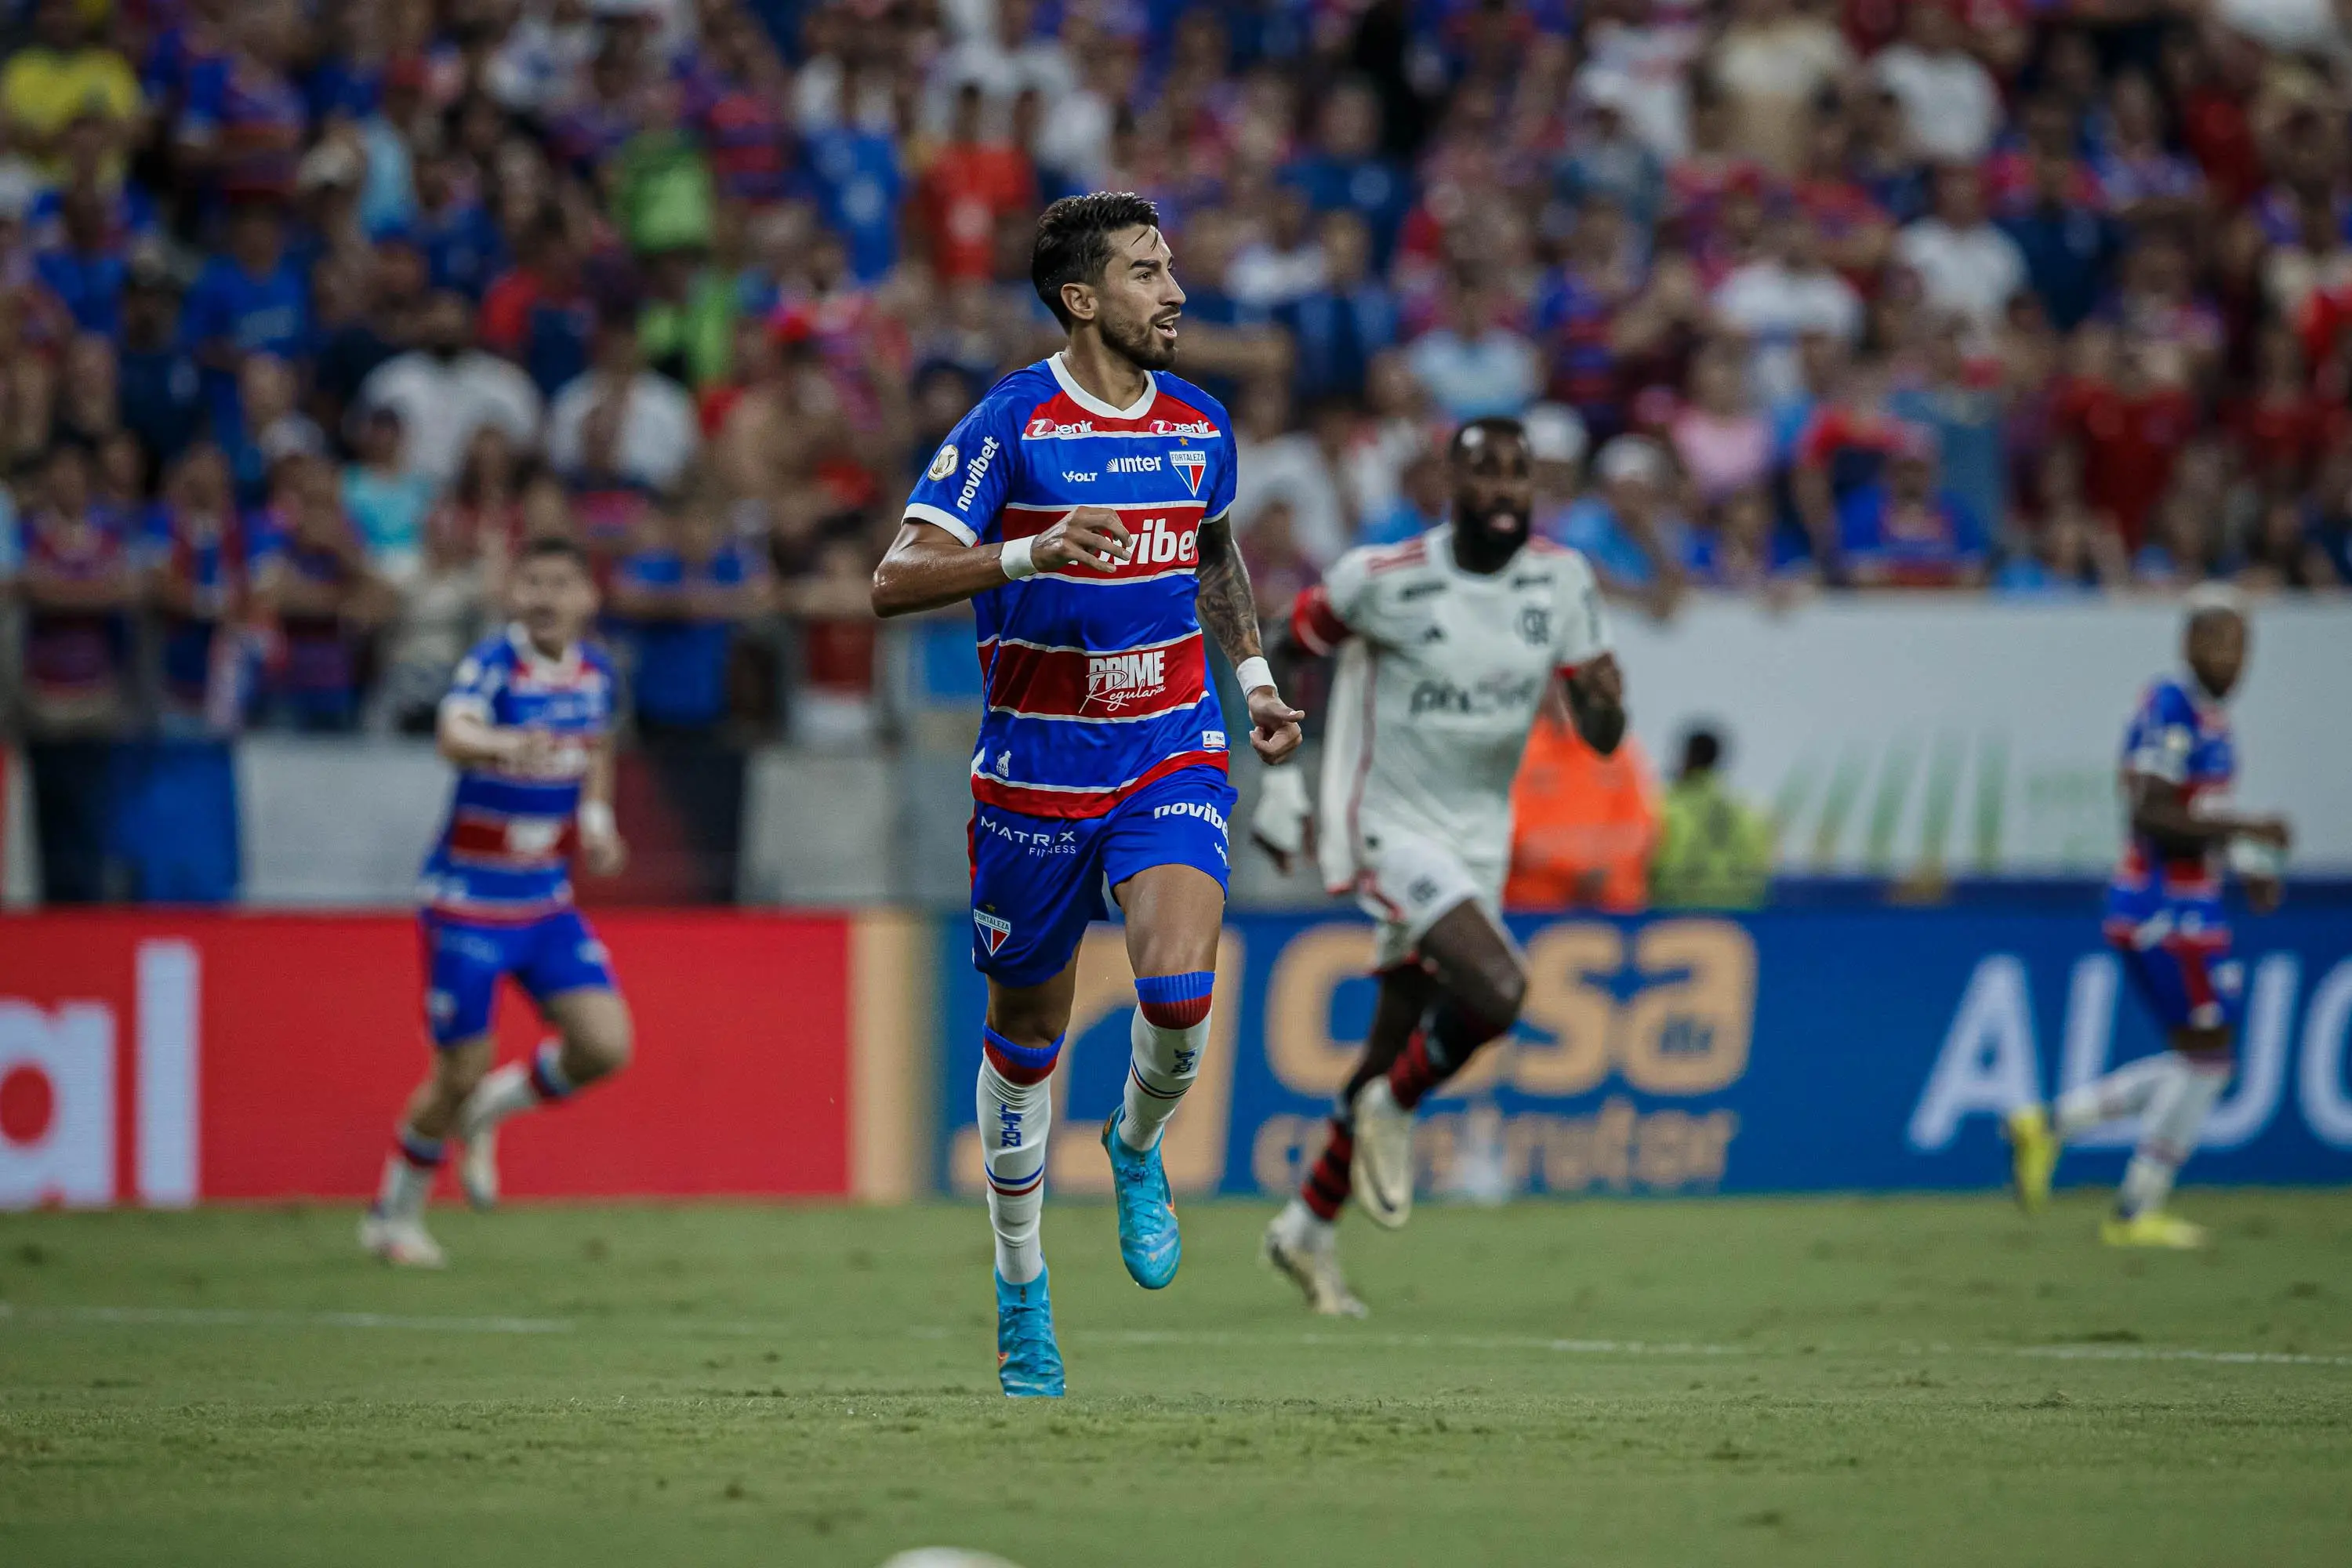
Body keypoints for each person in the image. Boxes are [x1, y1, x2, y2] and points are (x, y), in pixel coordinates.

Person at [869, 193, 1305, 1397]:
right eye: (1147, 272)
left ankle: (1135, 1145)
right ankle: (1021, 1290)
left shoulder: (1201, 423)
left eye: (1171, 267)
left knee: (1175, 992)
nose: (1175, 292)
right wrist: (1029, 549)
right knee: (1025, 1048)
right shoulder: (1012, 423)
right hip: (1033, 782)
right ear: (1081, 298)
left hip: (1171, 749)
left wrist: (1256, 681)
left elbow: (1212, 552)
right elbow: (892, 580)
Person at [1248, 417, 1628, 1316]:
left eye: (1516, 475)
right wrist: (1280, 781)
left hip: (1478, 837)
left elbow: (1603, 731)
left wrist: (1606, 706)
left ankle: (1304, 1229)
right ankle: (1397, 1104)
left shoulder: (1562, 581)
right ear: (1449, 490)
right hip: (1385, 821)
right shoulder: (1384, 578)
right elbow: (1281, 645)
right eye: (1482, 475)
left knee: (1388, 1039)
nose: (1501, 491)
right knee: (1499, 989)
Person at [362, 535, 633, 1269]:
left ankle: (490, 1112)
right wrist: (500, 745)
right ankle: (393, 1216)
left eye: (561, 583)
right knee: (457, 1068)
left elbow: (598, 748)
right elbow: (453, 734)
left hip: (545, 898)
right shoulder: (493, 663)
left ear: (587, 598)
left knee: (605, 1044)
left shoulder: (596, 670)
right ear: (514, 595)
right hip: (468, 901)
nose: (545, 597)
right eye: (532, 583)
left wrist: (598, 823)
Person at [2004, 589, 2292, 1249]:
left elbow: (2197, 821)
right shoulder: (2169, 709)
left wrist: (2244, 863)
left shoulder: (2216, 723)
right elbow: (2150, 813)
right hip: (2163, 911)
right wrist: (2248, 828)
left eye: (2243, 645)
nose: (2233, 658)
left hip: (2194, 907)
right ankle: (2135, 1206)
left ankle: (2051, 1126)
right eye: (2220, 641)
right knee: (2209, 1060)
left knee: (2202, 1060)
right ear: (2189, 643)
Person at [1650, 725, 1775, 909]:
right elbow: (1763, 866)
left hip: (1679, 911)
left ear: (1689, 758)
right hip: (1742, 912)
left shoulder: (1663, 808)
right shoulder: (1749, 813)